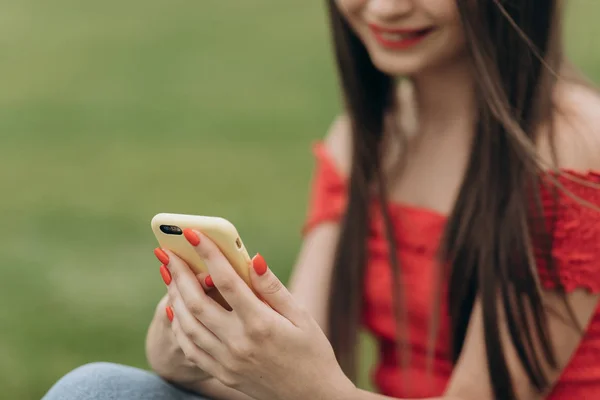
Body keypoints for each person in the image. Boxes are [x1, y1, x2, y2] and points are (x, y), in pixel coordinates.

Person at [43, 1, 600, 399]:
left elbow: (309, 385)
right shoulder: (368, 140)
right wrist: (188, 350)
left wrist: (316, 389)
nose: (384, 8)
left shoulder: (572, 147)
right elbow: (297, 365)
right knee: (96, 389)